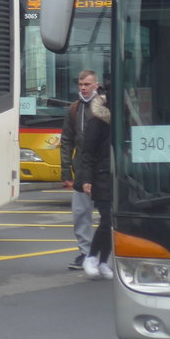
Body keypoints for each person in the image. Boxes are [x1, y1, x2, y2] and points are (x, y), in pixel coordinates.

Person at [59, 70, 100, 270]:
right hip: (82, 169)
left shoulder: (104, 107)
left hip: (102, 170)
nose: (83, 88)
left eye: (87, 84)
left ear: (96, 85)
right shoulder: (74, 109)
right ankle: (86, 254)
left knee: (108, 215)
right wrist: (66, 171)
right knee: (80, 214)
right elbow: (66, 140)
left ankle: (104, 254)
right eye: (81, 84)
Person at [78, 92, 114, 279]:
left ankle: (104, 261)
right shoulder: (97, 120)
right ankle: (91, 257)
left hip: (120, 176)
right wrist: (87, 179)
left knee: (114, 222)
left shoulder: (127, 117)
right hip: (102, 176)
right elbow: (88, 152)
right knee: (107, 218)